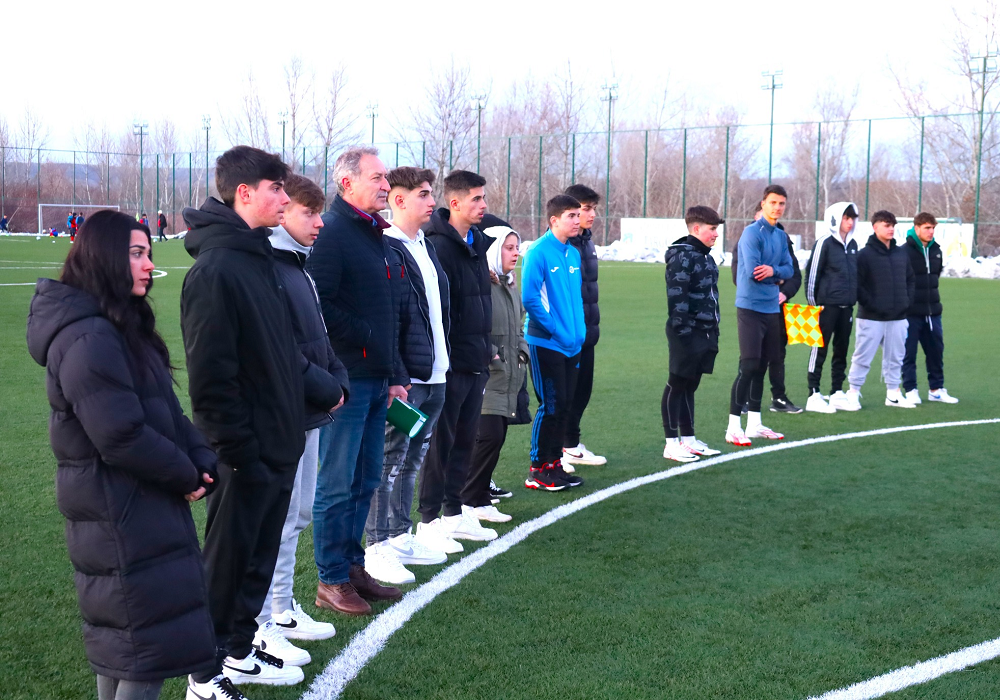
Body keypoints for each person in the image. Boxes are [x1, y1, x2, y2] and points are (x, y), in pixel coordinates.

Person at [27, 211, 218, 700]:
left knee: (130, 644)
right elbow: (120, 435)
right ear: (103, 258)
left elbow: (166, 411)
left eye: (148, 253)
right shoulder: (88, 336)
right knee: (142, 648)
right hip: (118, 511)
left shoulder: (121, 326)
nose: (149, 265)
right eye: (136, 254)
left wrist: (201, 457)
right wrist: (184, 475)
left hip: (139, 504)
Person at [181, 146, 310, 695]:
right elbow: (211, 379)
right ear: (244, 193)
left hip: (277, 444)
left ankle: (236, 649)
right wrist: (240, 453)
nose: (284, 197)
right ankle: (203, 672)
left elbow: (279, 354)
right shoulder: (215, 269)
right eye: (275, 188)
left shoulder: (259, 256)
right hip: (245, 453)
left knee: (256, 560)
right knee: (227, 564)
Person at [306, 147, 410, 617]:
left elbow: (390, 312)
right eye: (377, 177)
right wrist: (366, 338)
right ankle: (330, 579)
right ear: (347, 183)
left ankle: (353, 568)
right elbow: (320, 304)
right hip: (348, 381)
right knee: (337, 482)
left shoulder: (375, 235)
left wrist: (394, 372)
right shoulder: (333, 233)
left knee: (365, 478)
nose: (386, 185)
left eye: (386, 177)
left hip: (377, 379)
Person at [253, 174, 349, 665]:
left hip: (309, 408)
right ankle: (260, 623)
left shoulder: (297, 265)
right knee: (278, 517)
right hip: (284, 412)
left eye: (318, 213)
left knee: (298, 513)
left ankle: (282, 607)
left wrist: (336, 378)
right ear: (283, 212)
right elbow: (282, 350)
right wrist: (327, 386)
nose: (319, 223)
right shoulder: (269, 266)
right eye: (308, 213)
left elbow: (319, 338)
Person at [363, 166, 452, 585]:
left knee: (414, 456)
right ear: (398, 200)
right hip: (407, 379)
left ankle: (399, 535)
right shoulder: (387, 247)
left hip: (436, 374)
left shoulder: (424, 245)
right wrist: (398, 374)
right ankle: (376, 546)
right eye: (423, 194)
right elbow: (389, 320)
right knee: (390, 458)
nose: (432, 201)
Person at [417, 170, 499, 542]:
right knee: (441, 443)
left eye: (483, 198)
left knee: (465, 440)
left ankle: (454, 512)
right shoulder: (437, 245)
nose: (483, 205)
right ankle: (428, 519)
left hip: (476, 360)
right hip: (449, 365)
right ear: (455, 203)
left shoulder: (477, 242)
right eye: (476, 199)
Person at [522, 194, 587, 491]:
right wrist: (555, 329)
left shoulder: (573, 253)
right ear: (554, 220)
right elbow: (530, 299)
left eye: (578, 215)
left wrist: (578, 332)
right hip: (546, 342)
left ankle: (554, 465)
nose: (577, 220)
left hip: (572, 344)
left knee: (565, 405)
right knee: (550, 405)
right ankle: (537, 468)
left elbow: (576, 300)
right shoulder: (538, 251)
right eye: (571, 216)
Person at [727, 184, 796, 446]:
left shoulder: (780, 235)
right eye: (773, 202)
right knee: (749, 365)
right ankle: (733, 426)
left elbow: (789, 269)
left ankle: (754, 424)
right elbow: (754, 272)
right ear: (763, 203)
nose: (777, 207)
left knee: (763, 364)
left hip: (771, 308)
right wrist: (775, 275)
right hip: (750, 307)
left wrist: (774, 272)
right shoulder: (751, 233)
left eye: (781, 203)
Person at [466, 224, 526, 518]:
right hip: (488, 375)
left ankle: (479, 499)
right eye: (509, 247)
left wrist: (523, 351)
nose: (515, 253)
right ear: (493, 250)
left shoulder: (510, 285)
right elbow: (473, 325)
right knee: (487, 436)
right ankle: (469, 501)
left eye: (517, 248)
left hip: (509, 375)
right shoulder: (483, 286)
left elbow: (520, 325)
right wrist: (493, 355)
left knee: (496, 436)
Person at [662, 206, 724, 462]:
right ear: (696, 228)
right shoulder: (682, 256)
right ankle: (671, 443)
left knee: (690, 385)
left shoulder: (707, 257)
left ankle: (688, 440)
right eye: (712, 229)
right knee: (677, 384)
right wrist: (685, 334)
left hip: (706, 331)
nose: (716, 234)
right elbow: (677, 300)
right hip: (687, 333)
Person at [731, 206, 803, 414]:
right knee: (750, 357)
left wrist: (784, 292)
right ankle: (742, 401)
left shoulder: (782, 239)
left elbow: (793, 273)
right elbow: (742, 276)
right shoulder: (747, 239)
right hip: (753, 305)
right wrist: (776, 279)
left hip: (777, 306)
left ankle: (778, 397)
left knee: (777, 354)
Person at [844, 210, 915, 409]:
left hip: (898, 317)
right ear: (875, 227)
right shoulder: (864, 255)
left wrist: (906, 302)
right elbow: (858, 285)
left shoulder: (901, 253)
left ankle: (893, 394)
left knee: (895, 358)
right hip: (871, 317)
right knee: (862, 357)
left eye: (893, 225)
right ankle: (853, 392)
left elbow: (910, 279)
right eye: (886, 225)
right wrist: (872, 304)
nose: (891, 229)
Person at [561, 184, 606, 468]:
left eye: (593, 209)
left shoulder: (587, 243)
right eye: (586, 209)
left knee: (581, 393)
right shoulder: (560, 245)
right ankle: (552, 454)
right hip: (565, 336)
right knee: (561, 397)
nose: (591, 215)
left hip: (587, 333)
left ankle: (571, 445)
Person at [803, 202, 860, 413]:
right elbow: (812, 275)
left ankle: (837, 391)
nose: (850, 222)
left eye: (852, 218)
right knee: (819, 349)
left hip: (847, 307)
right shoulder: (824, 243)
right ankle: (813, 393)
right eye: (846, 218)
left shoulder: (853, 245)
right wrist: (814, 306)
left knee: (841, 350)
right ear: (836, 219)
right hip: (825, 307)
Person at [902, 212, 959, 404]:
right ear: (916, 228)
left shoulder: (937, 251)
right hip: (910, 313)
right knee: (908, 353)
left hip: (933, 312)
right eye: (927, 228)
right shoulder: (904, 252)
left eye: (933, 228)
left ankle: (936, 389)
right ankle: (910, 389)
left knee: (935, 352)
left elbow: (936, 276)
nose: (931, 231)